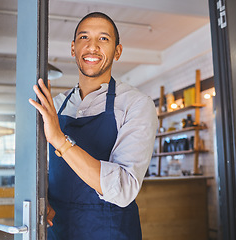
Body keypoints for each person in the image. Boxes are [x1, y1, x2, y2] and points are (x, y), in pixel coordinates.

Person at [29, 12, 158, 240]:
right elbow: (41, 169)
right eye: (84, 37)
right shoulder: (55, 105)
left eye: (103, 39)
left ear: (117, 51)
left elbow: (124, 188)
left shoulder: (137, 105)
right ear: (73, 48)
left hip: (109, 231)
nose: (92, 46)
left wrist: (60, 140)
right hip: (58, 230)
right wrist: (43, 196)